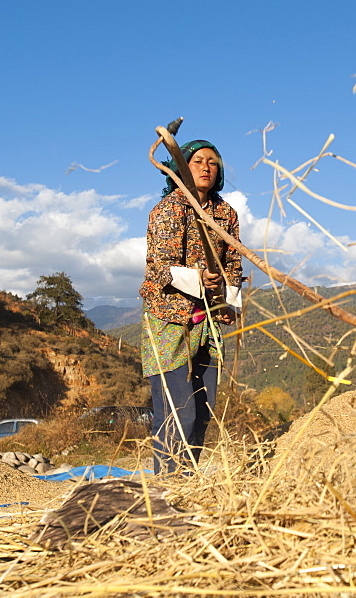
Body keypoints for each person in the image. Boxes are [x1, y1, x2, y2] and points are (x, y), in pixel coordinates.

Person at [140, 138, 242, 475]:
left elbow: (234, 266)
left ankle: (187, 478)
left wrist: (229, 302)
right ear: (183, 167)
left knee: (203, 407)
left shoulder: (225, 213)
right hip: (169, 320)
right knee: (177, 409)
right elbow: (160, 268)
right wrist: (199, 278)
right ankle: (168, 482)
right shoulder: (169, 208)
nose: (205, 167)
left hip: (208, 321)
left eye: (212, 162)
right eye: (197, 161)